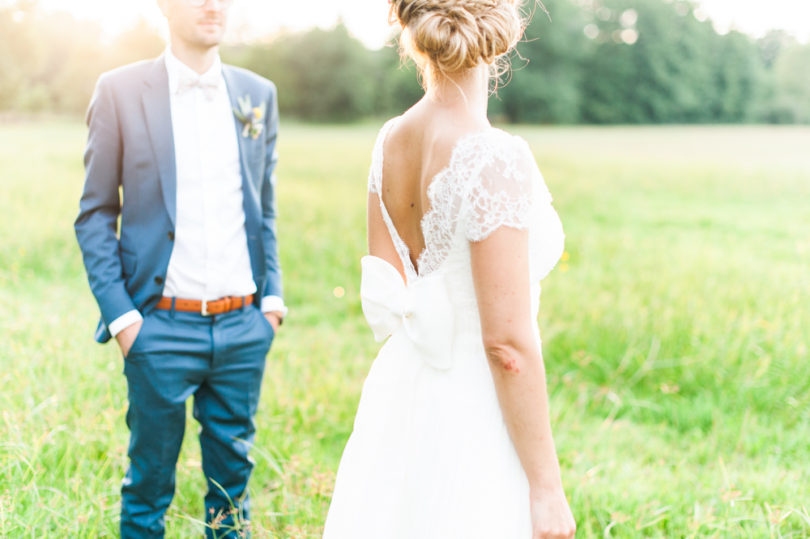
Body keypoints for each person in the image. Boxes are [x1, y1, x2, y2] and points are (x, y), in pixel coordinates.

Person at [323, 0, 575, 537]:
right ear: (504, 28)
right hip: (474, 408)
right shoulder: (493, 158)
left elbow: (395, 284)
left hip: (402, 395)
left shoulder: (390, 139)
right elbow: (506, 345)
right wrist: (547, 488)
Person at [74, 0, 286, 536]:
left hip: (243, 326)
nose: (214, 5)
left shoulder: (257, 94)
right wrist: (124, 320)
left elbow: (265, 205)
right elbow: (96, 213)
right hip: (158, 327)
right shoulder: (119, 90)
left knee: (231, 494)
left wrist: (271, 303)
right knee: (147, 488)